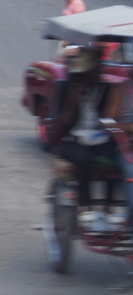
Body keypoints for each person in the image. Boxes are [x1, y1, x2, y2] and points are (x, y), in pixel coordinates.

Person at [56, 46, 125, 231]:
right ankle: (84, 203)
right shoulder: (67, 87)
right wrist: (74, 95)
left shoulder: (106, 88)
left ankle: (108, 206)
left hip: (100, 137)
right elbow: (65, 120)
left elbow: (109, 118)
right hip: (73, 139)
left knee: (113, 156)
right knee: (83, 158)